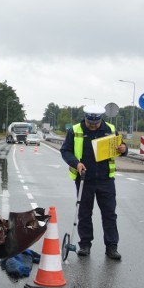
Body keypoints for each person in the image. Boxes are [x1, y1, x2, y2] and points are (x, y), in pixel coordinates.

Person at [60, 104, 128, 260]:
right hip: (84, 179)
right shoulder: (75, 130)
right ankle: (85, 245)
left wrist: (124, 149)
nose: (93, 126)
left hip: (106, 180)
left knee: (109, 214)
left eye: (95, 124)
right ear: (86, 118)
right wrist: (76, 163)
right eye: (90, 123)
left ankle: (111, 247)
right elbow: (65, 151)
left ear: (100, 120)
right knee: (84, 214)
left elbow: (122, 148)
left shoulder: (110, 129)